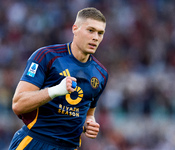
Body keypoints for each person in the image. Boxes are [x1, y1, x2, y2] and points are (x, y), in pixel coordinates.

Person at [9, 7, 108, 150]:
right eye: (90, 30)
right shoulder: (46, 56)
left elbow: (88, 114)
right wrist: (55, 91)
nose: (95, 37)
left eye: (100, 33)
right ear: (75, 29)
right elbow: (18, 104)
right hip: (35, 142)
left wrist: (89, 124)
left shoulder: (101, 74)